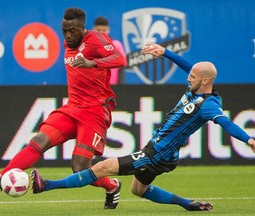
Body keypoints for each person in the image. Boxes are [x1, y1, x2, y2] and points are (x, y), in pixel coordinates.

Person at [31, 43, 255, 211]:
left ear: (205, 81)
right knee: (138, 190)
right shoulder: (197, 88)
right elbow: (192, 68)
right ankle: (188, 204)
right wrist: (165, 52)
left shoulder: (208, 105)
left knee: (102, 167)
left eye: (193, 77)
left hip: (156, 154)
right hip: (161, 152)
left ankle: (46, 185)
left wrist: (248, 139)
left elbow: (226, 123)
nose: (188, 79)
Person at [0, 7, 126, 209]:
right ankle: (1, 177)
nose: (68, 35)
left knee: (79, 167)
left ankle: (112, 185)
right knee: (39, 140)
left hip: (94, 111)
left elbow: (121, 59)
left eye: (72, 31)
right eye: (64, 31)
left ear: (82, 27)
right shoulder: (67, 42)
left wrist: (93, 63)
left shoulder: (96, 38)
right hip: (72, 108)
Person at [93, 16, 126, 85]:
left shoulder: (116, 45)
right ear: (93, 30)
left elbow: (121, 68)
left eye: (104, 30)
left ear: (108, 30)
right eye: (98, 30)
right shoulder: (88, 46)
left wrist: (121, 87)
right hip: (93, 87)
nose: (101, 32)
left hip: (112, 87)